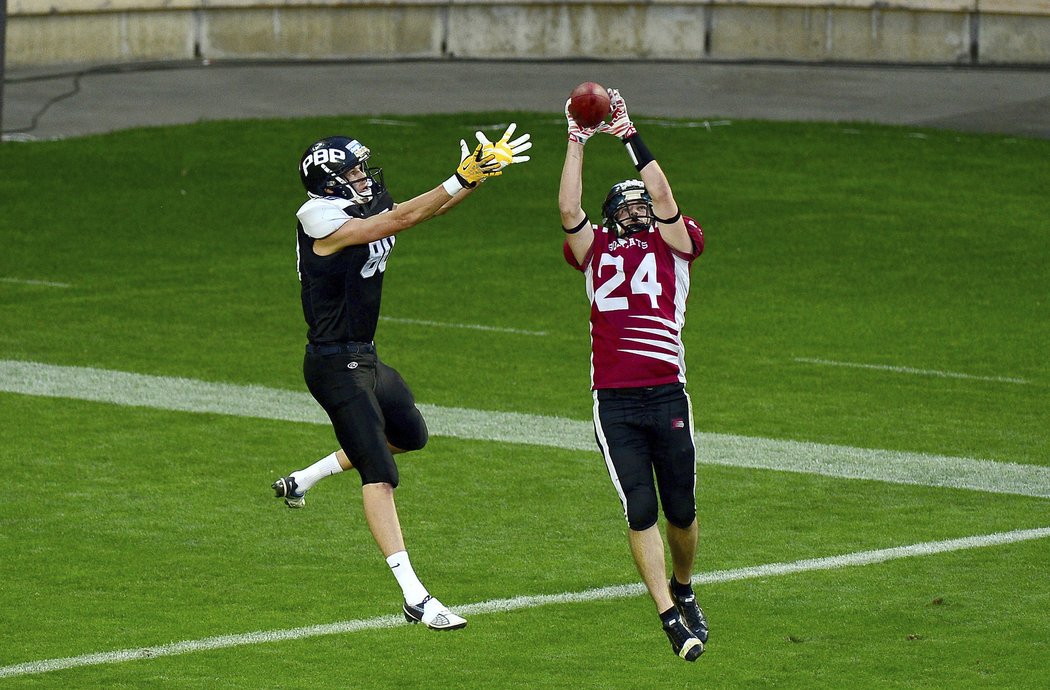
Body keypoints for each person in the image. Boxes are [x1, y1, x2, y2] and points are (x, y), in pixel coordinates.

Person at [272, 125, 531, 631]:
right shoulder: (318, 217)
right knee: (380, 475)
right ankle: (415, 596)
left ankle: (305, 478)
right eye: (351, 171)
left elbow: (420, 212)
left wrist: (475, 180)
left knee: (409, 436)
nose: (363, 177)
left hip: (365, 356)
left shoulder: (358, 202)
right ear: (328, 182)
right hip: (332, 364)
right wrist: (458, 178)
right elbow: (404, 216)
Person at [558, 89, 709, 661]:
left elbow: (666, 198)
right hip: (615, 401)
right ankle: (668, 615)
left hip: (667, 392)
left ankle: (684, 585)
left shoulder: (674, 244)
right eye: (625, 206)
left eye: (640, 204)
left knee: (682, 509)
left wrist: (628, 135)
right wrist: (575, 141)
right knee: (639, 508)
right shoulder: (593, 249)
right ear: (610, 215)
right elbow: (569, 210)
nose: (636, 210)